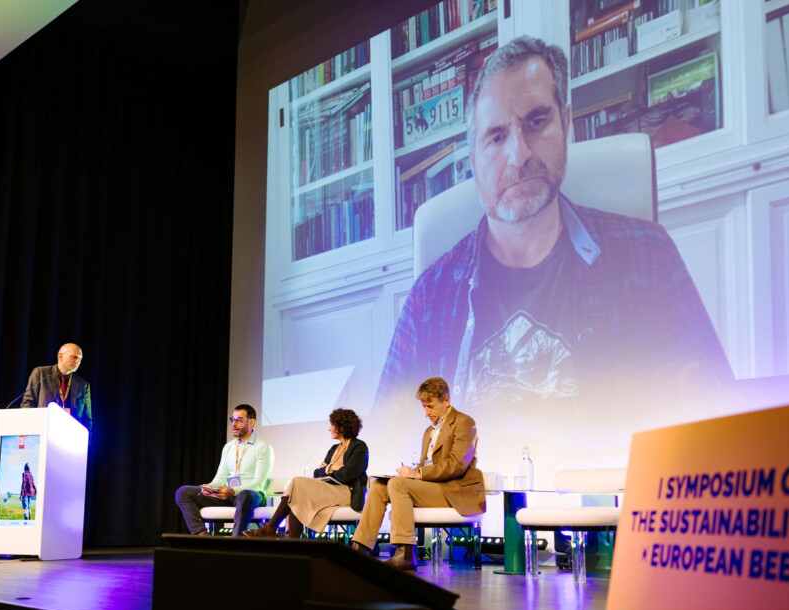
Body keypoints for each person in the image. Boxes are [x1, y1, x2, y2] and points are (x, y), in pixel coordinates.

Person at [374, 36, 732, 427]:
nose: (519, 154)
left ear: (567, 125)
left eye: (537, 122)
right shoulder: (429, 298)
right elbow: (383, 444)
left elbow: (717, 422)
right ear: (473, 160)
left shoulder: (649, 257)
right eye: (496, 137)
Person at [350, 377, 484, 571]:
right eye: (424, 407)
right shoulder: (429, 431)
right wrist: (411, 473)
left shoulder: (464, 422)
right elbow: (423, 465)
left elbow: (457, 465)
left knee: (398, 484)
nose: (426, 413)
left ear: (446, 401)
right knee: (380, 485)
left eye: (430, 406)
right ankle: (358, 550)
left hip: (454, 490)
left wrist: (418, 473)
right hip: (433, 487)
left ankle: (405, 554)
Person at [244, 408, 368, 539]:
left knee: (297, 482)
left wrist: (327, 469)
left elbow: (348, 474)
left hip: (347, 493)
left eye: (332, 425)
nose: (329, 429)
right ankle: (289, 543)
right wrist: (332, 468)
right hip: (330, 490)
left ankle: (270, 529)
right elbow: (317, 473)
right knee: (296, 499)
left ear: (342, 427)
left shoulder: (359, 447)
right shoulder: (334, 449)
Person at [174, 404, 274, 536]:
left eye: (239, 420)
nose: (234, 424)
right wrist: (211, 487)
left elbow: (258, 483)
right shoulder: (229, 447)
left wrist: (233, 490)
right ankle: (201, 535)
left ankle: (235, 540)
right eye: (233, 420)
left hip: (253, 495)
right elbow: (221, 477)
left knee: (245, 494)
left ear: (251, 422)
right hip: (228, 494)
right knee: (183, 492)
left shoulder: (263, 446)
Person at [21, 342, 93, 431]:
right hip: (43, 431)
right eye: (74, 357)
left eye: (80, 359)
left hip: (69, 436)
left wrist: (84, 442)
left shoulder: (83, 385)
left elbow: (87, 420)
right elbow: (27, 404)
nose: (78, 361)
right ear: (60, 356)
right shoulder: (41, 373)